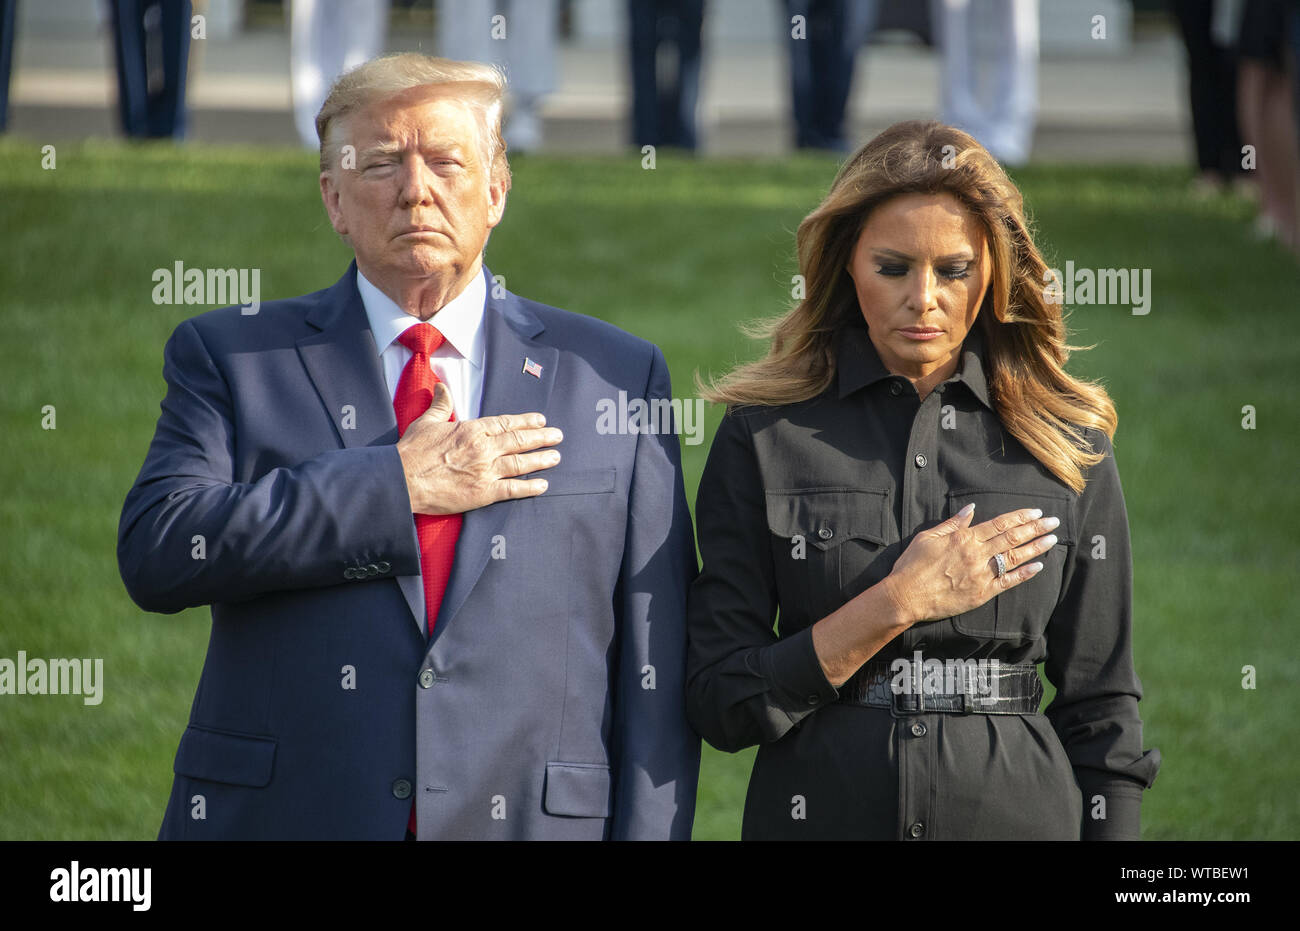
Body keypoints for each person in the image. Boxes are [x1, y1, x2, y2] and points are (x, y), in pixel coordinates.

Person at [117, 54, 700, 840]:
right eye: (382, 162)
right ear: (334, 199)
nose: (415, 188)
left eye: (446, 162)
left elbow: (654, 676)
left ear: (496, 189)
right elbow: (159, 550)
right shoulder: (232, 356)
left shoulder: (618, 378)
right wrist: (392, 486)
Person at [686, 120, 1160, 840]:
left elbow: (1104, 710)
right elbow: (719, 697)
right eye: (894, 267)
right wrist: (897, 601)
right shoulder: (763, 434)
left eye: (954, 269)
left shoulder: (1065, 443)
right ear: (847, 264)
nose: (925, 298)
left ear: (993, 272)